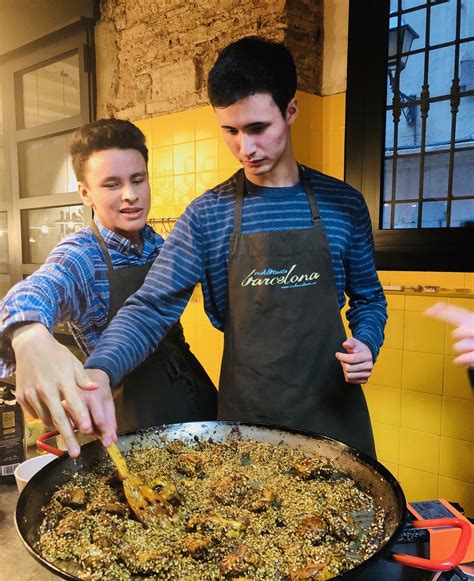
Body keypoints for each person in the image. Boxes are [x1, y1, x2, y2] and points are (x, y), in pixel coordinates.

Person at [9, 37, 388, 458]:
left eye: (258, 128)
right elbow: (152, 305)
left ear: (290, 112)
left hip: (335, 409)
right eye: (231, 130)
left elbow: (369, 298)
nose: (245, 148)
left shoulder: (345, 205)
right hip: (250, 419)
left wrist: (367, 341)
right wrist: (96, 370)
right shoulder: (207, 215)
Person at [0, 119, 217, 457]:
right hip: (130, 418)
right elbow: (43, 286)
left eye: (138, 180)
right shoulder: (83, 255)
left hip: (194, 397)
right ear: (86, 192)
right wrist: (27, 334)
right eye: (112, 184)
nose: (130, 195)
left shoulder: (158, 245)